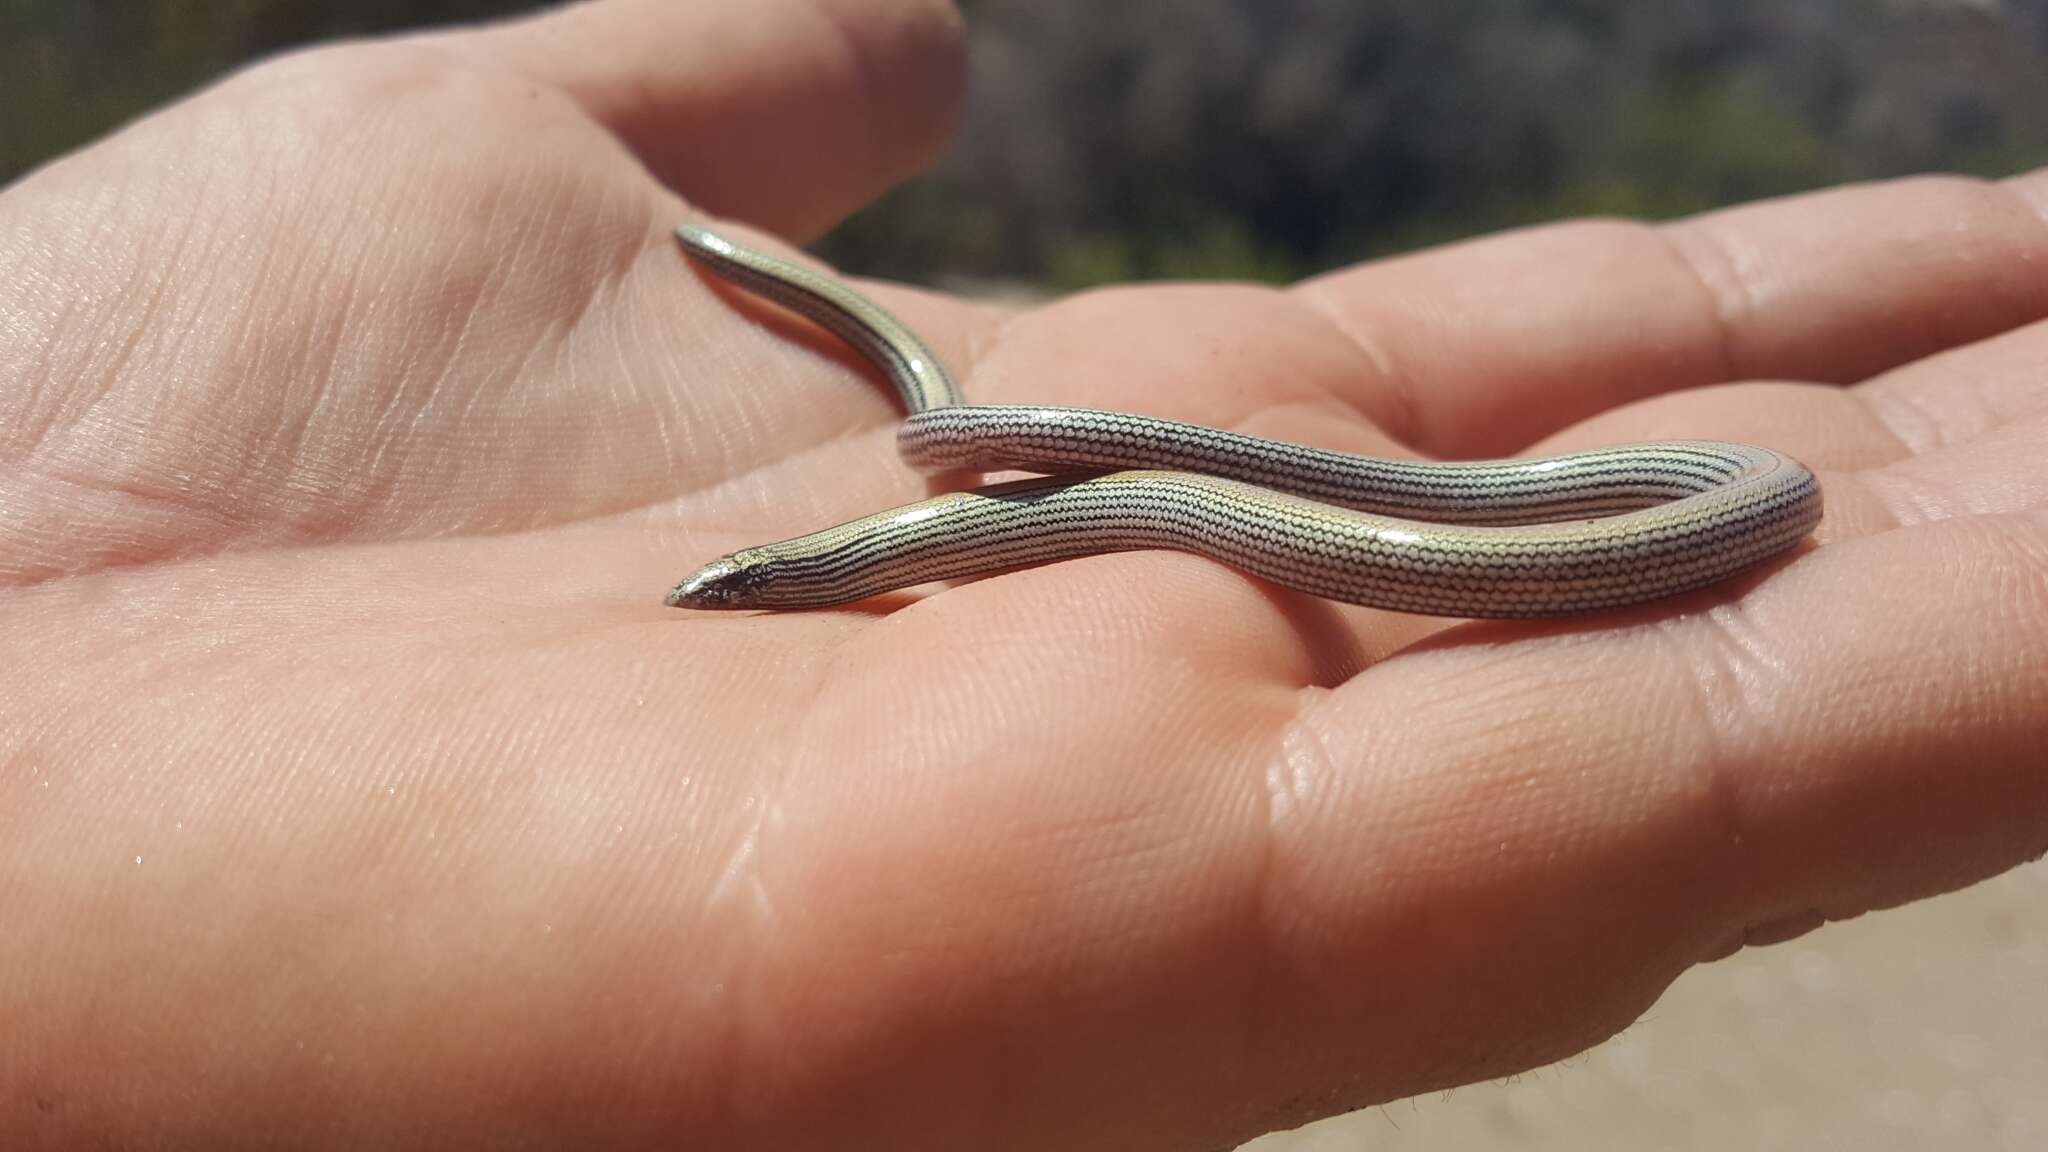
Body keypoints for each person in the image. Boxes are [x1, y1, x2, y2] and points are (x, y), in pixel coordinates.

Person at [2, 1, 2044, 1148]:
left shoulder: (957, 504)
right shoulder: (942, 505)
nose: (750, 597)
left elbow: (947, 468)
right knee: (943, 421)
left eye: (759, 590)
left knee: (970, 430)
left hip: (1708, 490)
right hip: (1019, 466)